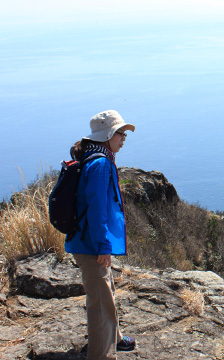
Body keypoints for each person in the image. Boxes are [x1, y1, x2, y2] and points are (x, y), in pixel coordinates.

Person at [66, 110, 137, 359]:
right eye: (120, 132)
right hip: (90, 244)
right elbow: (96, 208)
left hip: (87, 240)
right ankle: (101, 355)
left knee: (105, 291)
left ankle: (115, 339)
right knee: (99, 302)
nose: (124, 137)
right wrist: (103, 245)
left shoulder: (97, 157)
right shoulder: (100, 163)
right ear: (107, 134)